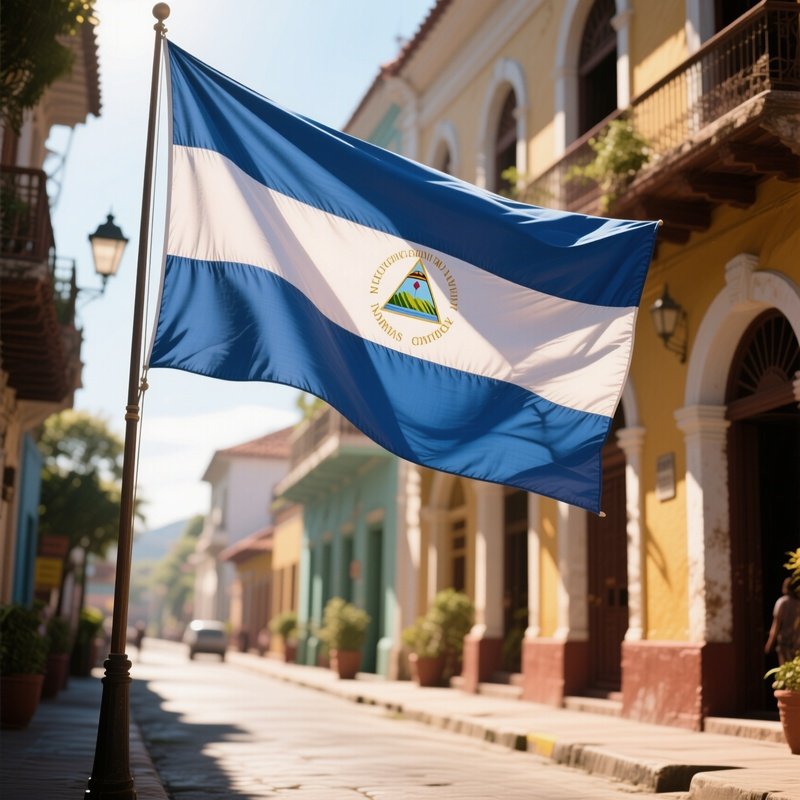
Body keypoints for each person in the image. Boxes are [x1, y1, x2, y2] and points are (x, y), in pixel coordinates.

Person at [765, 578, 800, 665]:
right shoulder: (798, 603)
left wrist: (769, 644)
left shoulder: (782, 602)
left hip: (785, 643)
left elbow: (776, 625)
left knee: (786, 670)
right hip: (797, 642)